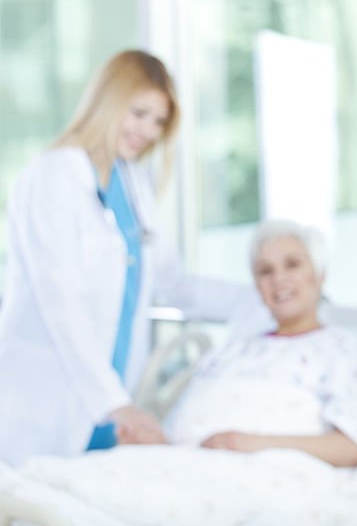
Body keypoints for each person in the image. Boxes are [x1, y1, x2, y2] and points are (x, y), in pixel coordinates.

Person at [0, 50, 253, 465]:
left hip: (106, 408)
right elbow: (59, 301)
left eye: (159, 122)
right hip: (45, 401)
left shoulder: (133, 184)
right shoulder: (54, 175)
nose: (149, 131)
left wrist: (265, 297)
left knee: (84, 524)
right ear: (108, 101)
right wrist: (115, 404)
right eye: (139, 113)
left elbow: (176, 285)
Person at [146, 219, 357, 466]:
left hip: (268, 474)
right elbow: (179, 426)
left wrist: (251, 445)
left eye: (292, 265)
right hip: (181, 463)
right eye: (265, 271)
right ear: (257, 286)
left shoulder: (347, 351)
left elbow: (353, 446)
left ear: (319, 275)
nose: (279, 279)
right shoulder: (234, 351)